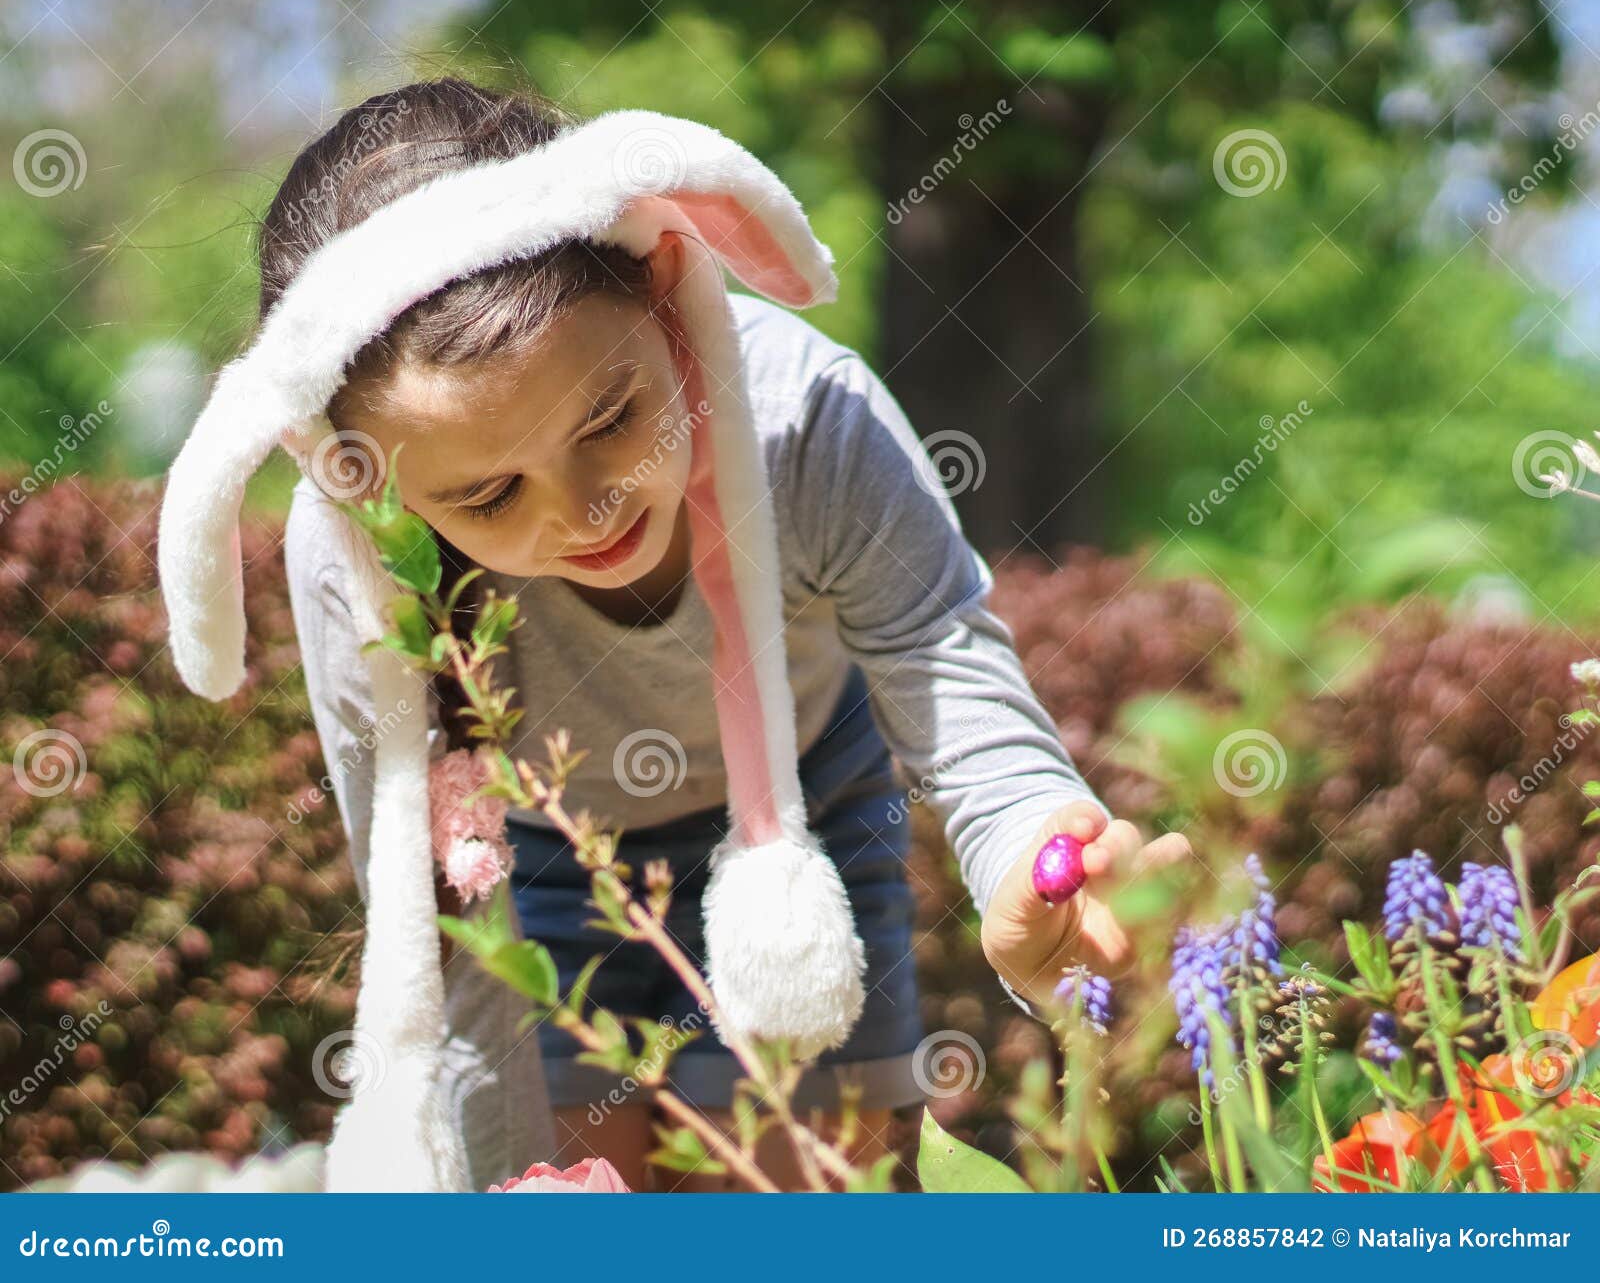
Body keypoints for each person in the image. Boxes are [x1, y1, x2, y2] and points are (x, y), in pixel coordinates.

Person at [175, 75, 1189, 1192]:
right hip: (542, 845)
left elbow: (943, 660)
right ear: (362, 480)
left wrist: (1033, 852)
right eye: (488, 498)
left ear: (664, 283)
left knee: (813, 1184)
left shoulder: (809, 421)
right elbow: (443, 934)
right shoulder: (356, 559)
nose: (583, 508)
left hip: (805, 807)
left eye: (611, 420)